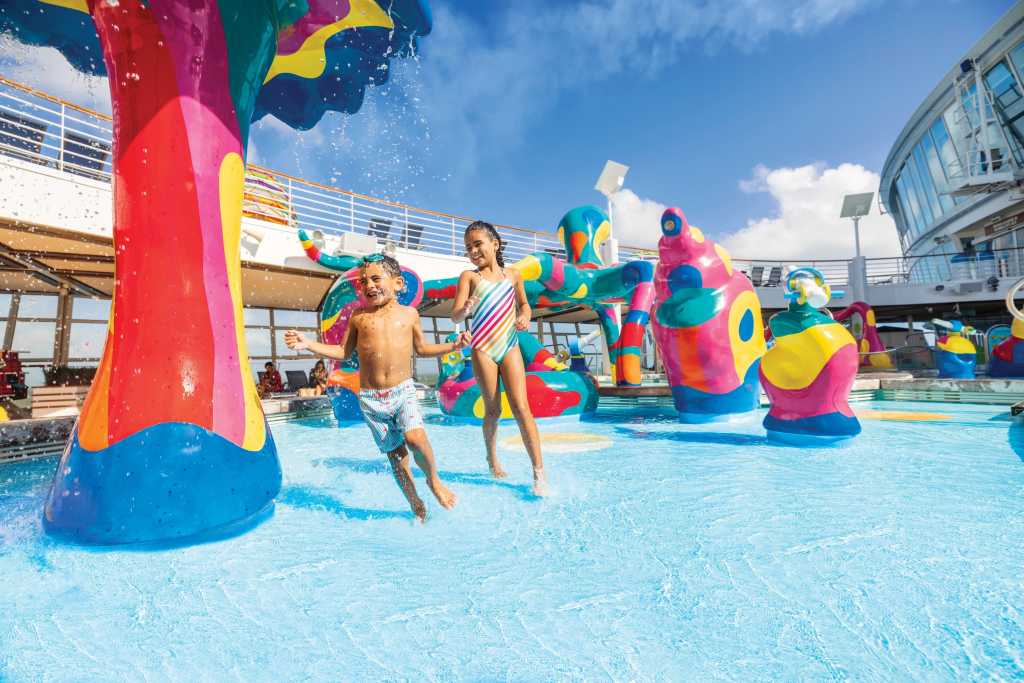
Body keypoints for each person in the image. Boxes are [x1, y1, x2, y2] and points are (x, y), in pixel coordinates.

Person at [284, 253, 466, 521]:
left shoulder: (409, 314)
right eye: (363, 281)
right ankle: (415, 502)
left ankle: (433, 479)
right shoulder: (358, 317)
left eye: (376, 279)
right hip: (371, 399)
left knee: (415, 438)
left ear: (398, 283)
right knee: (397, 457)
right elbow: (343, 352)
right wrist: (309, 343)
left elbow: (422, 349)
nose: (368, 285)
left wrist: (453, 345)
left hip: (402, 392)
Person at [451, 220, 547, 496]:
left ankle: (539, 472)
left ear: (495, 244)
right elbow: (456, 315)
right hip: (483, 348)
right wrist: (466, 308)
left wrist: (525, 315)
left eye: (477, 244)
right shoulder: (469, 277)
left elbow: (524, 304)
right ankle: (492, 459)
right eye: (468, 247)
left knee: (521, 407)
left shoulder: (513, 275)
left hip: (509, 346)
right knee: (492, 410)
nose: (473, 251)